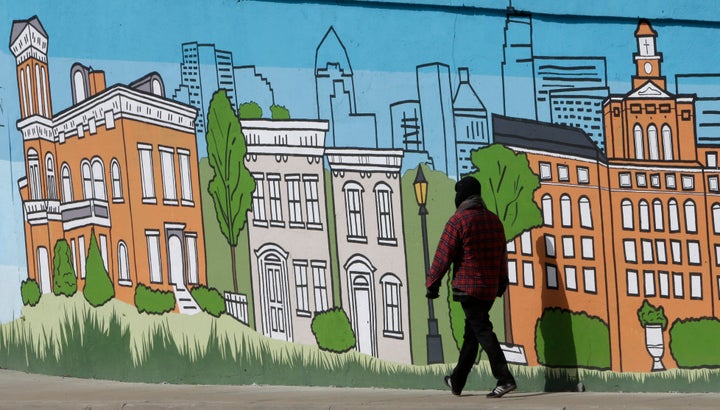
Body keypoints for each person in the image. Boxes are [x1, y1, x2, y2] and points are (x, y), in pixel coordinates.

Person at [425, 175, 516, 398]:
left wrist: (432, 283)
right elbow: (502, 256)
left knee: (482, 330)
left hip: (468, 287)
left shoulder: (458, 221)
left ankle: (504, 378)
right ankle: (457, 381)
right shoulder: (494, 221)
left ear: (462, 196)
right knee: (472, 334)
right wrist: (502, 283)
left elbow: (443, 256)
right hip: (489, 289)